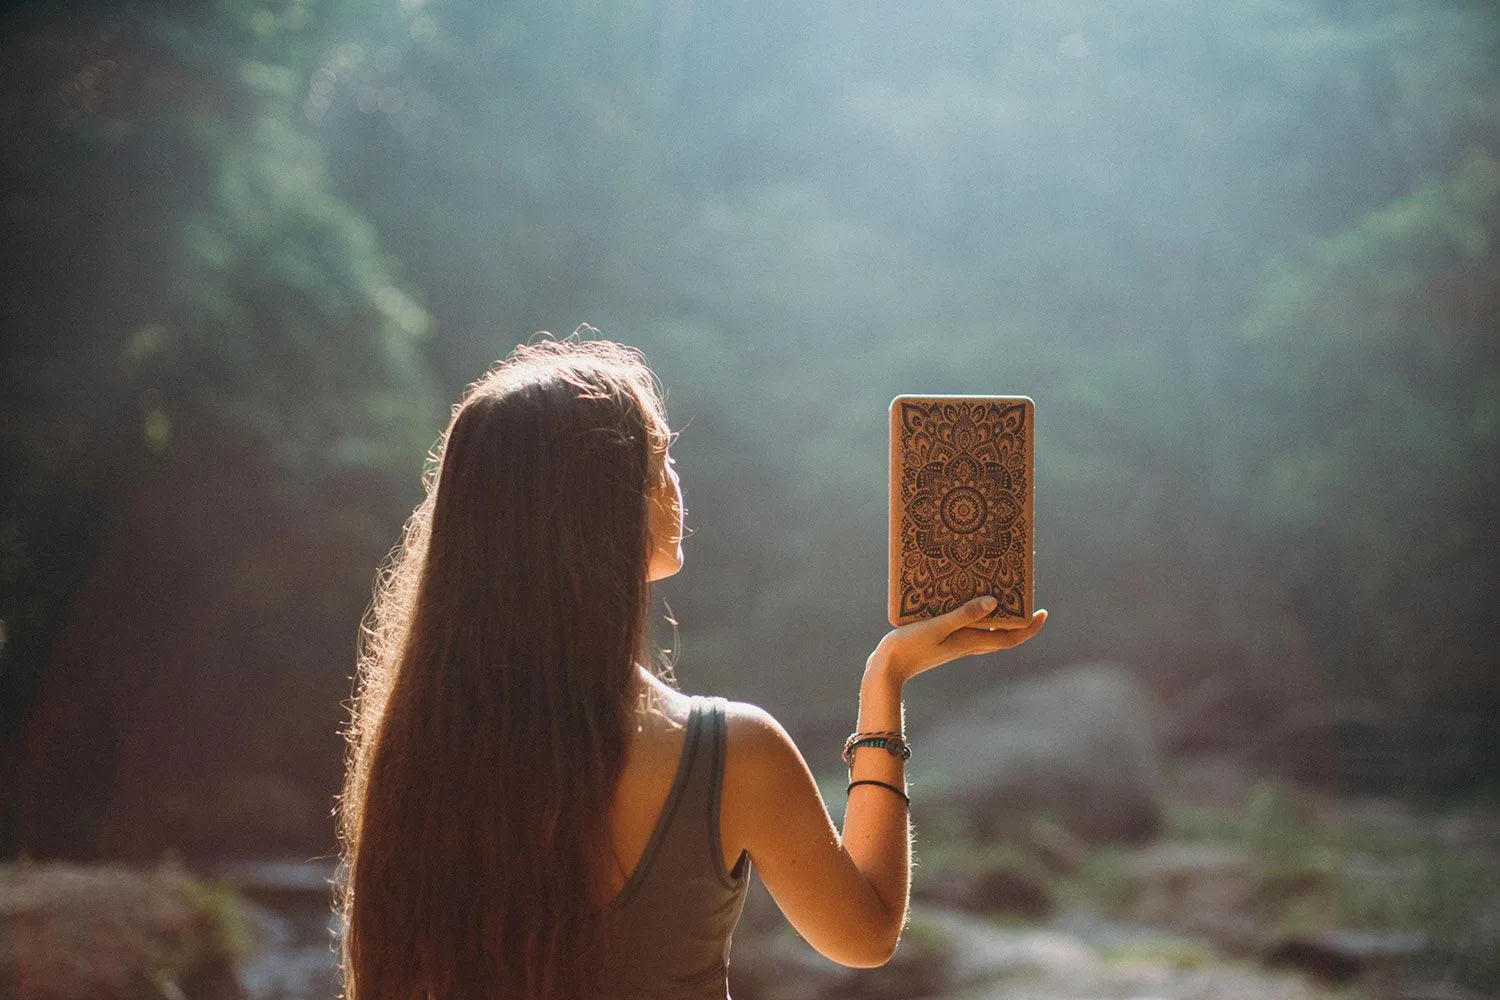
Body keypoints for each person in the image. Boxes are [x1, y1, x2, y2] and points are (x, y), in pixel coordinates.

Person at [337, 336, 1047, 1000]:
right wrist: (884, 683)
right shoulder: (729, 752)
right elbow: (864, 934)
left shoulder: (419, 758)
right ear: (602, 509)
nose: (675, 479)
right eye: (658, 458)